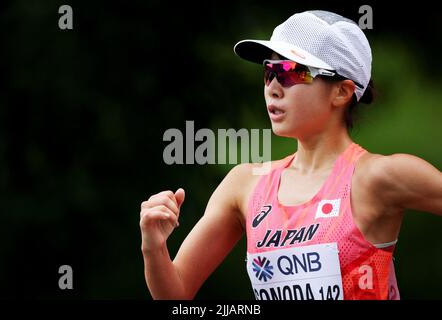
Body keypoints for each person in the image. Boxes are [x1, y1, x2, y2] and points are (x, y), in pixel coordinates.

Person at [139, 10, 442, 300]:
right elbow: (175, 293)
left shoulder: (378, 177)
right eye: (268, 72)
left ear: (342, 91)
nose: (272, 87)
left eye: (291, 72)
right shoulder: (245, 184)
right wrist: (153, 246)